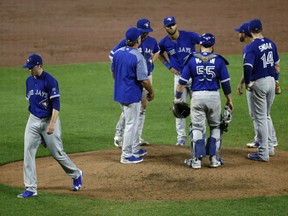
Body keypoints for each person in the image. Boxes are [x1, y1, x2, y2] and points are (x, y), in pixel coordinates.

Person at [18, 54, 83, 198]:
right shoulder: (29, 81)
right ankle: (31, 188)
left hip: (49, 120)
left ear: (39, 66)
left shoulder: (50, 81)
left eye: (31, 67)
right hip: (33, 120)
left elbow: (56, 105)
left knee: (57, 153)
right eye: (28, 68)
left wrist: (52, 123)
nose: (29, 70)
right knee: (28, 152)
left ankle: (76, 174)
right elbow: (32, 102)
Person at [175, 33, 234, 169]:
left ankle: (196, 161)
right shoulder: (219, 60)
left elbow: (181, 83)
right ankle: (214, 160)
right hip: (214, 97)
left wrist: (178, 98)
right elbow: (225, 83)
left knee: (197, 127)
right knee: (215, 127)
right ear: (213, 46)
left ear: (200, 45)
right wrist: (229, 100)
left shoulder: (191, 59)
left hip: (197, 97)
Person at [109, 18, 159, 148]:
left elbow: (157, 51)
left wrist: (151, 62)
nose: (146, 33)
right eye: (143, 31)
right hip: (133, 80)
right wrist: (122, 73)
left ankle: (137, 138)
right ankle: (120, 135)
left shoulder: (152, 41)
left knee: (141, 108)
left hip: (146, 77)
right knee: (130, 108)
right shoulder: (128, 42)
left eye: (148, 31)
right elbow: (112, 56)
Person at [158, 16, 201, 146]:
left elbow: (205, 42)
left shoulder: (189, 36)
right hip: (179, 78)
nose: (171, 27)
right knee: (178, 107)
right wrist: (168, 66)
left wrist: (200, 58)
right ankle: (181, 137)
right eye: (168, 25)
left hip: (194, 77)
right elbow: (158, 53)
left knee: (197, 106)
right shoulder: (164, 42)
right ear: (165, 28)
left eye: (173, 24)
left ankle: (195, 132)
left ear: (176, 25)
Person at [235, 22, 279, 149]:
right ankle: (264, 140)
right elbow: (277, 66)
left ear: (246, 32)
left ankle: (267, 145)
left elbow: (248, 68)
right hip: (270, 81)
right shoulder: (271, 43)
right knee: (263, 114)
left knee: (260, 116)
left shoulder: (250, 48)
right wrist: (276, 81)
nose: (239, 34)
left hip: (258, 83)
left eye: (240, 32)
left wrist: (247, 82)